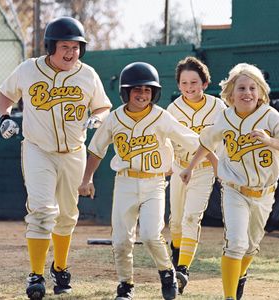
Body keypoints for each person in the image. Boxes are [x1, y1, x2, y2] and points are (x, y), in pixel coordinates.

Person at [0, 17, 112, 300]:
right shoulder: (28, 69)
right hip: (38, 150)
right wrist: (5, 116)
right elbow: (5, 94)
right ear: (51, 46)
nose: (71, 52)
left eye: (76, 47)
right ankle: (35, 274)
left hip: (74, 152)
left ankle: (60, 268)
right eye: (65, 46)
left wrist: (97, 118)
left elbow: (103, 107)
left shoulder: (87, 74)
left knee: (67, 215)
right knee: (42, 211)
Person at [78, 62, 201, 300]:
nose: (142, 94)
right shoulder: (114, 119)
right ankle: (125, 285)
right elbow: (96, 150)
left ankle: (167, 273)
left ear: (154, 92)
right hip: (125, 181)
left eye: (147, 90)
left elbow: (194, 141)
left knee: (150, 234)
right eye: (136, 89)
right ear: (125, 92)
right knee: (121, 239)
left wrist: (215, 160)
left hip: (154, 183)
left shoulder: (160, 117)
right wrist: (87, 178)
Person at [180, 63, 279, 300]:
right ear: (231, 94)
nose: (247, 93)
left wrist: (270, 141)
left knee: (251, 246)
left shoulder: (269, 116)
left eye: (252, 88)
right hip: (234, 190)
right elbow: (206, 142)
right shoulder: (224, 118)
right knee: (235, 242)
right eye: (241, 88)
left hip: (264, 193)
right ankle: (229, 297)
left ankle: (239, 275)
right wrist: (190, 168)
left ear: (261, 92)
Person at [166, 56, 227, 294]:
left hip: (202, 171)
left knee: (192, 217)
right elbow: (168, 140)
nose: (189, 87)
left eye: (194, 82)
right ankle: (175, 259)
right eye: (184, 83)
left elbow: (219, 140)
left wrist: (218, 167)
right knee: (176, 221)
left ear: (204, 82)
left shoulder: (217, 107)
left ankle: (183, 269)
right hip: (179, 168)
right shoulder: (173, 108)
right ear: (178, 84)